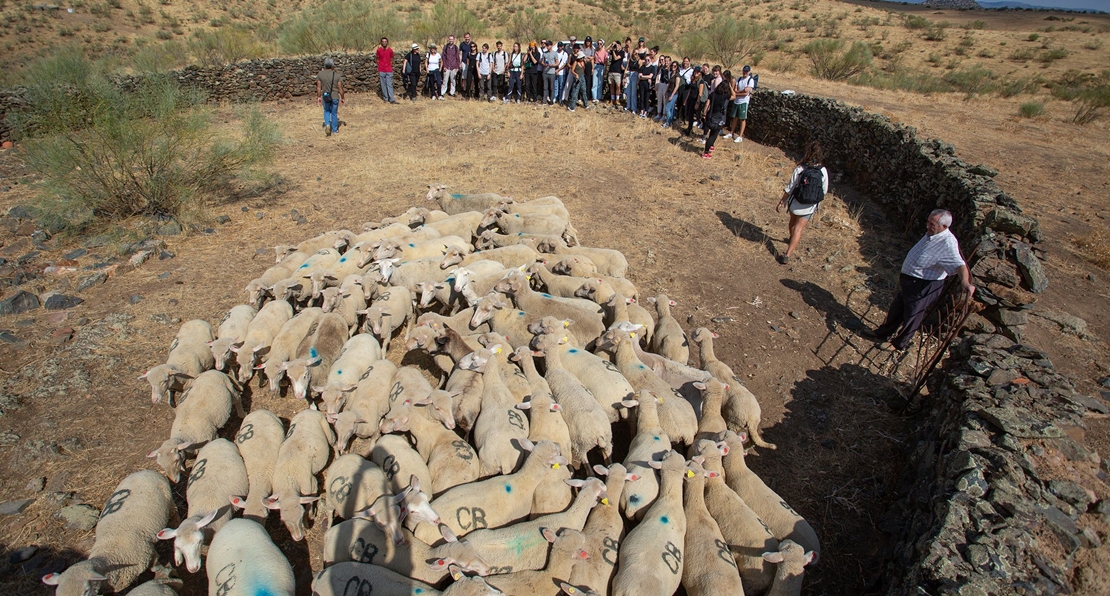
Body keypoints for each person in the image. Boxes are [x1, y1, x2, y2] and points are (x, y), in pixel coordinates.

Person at [860, 210, 976, 351]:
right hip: (910, 282)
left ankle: (899, 344)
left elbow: (960, 265)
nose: (927, 226)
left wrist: (965, 282)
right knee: (897, 308)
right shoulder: (933, 234)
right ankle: (883, 333)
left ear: (944, 226)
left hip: (923, 285)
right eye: (928, 222)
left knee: (912, 314)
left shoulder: (947, 243)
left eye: (931, 224)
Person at [775, 141, 829, 263]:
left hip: (795, 203)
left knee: (792, 223)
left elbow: (790, 188)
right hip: (809, 206)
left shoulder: (800, 168)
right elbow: (824, 190)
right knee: (799, 229)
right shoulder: (823, 171)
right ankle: (787, 255)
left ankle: (791, 237)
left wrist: (781, 202)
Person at [701, 70, 732, 158]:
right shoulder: (725, 96)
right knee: (713, 136)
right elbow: (734, 96)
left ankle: (708, 149)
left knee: (711, 133)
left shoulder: (713, 94)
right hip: (718, 118)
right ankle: (706, 152)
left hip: (710, 116)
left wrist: (704, 114)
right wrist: (730, 87)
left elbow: (707, 104)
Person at [316, 57, 345, 137]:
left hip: (326, 96)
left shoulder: (320, 74)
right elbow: (340, 88)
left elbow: (318, 87)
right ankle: (335, 130)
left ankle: (328, 125)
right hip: (335, 96)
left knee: (326, 111)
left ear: (325, 65)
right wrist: (342, 97)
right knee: (334, 113)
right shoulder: (337, 75)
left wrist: (318, 97)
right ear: (332, 65)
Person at [726, 65, 755, 143]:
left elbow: (746, 93)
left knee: (742, 119)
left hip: (743, 102)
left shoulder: (750, 80)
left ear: (749, 72)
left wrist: (737, 93)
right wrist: (741, 91)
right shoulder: (739, 79)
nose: (745, 72)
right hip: (737, 101)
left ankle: (740, 136)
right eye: (744, 71)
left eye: (746, 71)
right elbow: (736, 89)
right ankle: (731, 133)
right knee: (734, 117)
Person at [375, 38, 396, 104]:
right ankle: (385, 98)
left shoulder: (390, 50)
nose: (384, 43)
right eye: (383, 41)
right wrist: (379, 65)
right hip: (381, 70)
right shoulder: (379, 50)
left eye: (385, 41)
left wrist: (390, 65)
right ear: (381, 42)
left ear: (387, 42)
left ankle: (391, 99)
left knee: (389, 84)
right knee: (383, 85)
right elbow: (377, 58)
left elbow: (392, 58)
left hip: (388, 70)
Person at [541, 40, 559, 104]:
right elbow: (542, 61)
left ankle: (551, 100)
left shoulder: (555, 54)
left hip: (552, 72)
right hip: (545, 72)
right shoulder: (544, 53)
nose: (547, 47)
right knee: (545, 87)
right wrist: (544, 64)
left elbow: (557, 63)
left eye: (548, 45)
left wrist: (552, 65)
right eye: (546, 45)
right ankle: (544, 100)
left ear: (551, 46)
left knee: (552, 87)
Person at [459, 32, 474, 98]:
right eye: (466, 37)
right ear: (464, 38)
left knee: (472, 78)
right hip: (464, 62)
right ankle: (465, 90)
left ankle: (471, 90)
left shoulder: (472, 44)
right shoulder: (462, 44)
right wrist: (460, 62)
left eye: (468, 37)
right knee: (464, 77)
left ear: (470, 37)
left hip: (471, 63)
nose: (467, 39)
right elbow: (460, 54)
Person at [581, 36, 594, 102]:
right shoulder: (582, 48)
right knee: (582, 80)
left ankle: (587, 96)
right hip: (582, 64)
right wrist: (586, 58)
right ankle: (581, 96)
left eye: (589, 41)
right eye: (587, 41)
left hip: (589, 65)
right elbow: (581, 56)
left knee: (588, 81)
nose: (588, 42)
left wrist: (592, 68)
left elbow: (592, 58)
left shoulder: (592, 49)